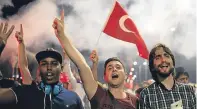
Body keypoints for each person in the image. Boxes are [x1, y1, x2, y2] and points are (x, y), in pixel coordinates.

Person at [52, 9, 138, 109]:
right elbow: (82, 65)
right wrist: (62, 36)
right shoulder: (98, 94)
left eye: (118, 67)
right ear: (105, 77)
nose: (114, 69)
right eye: (110, 68)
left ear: (125, 75)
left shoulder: (136, 101)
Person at [0, 23, 84, 109]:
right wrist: (20, 43)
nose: (49, 67)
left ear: (61, 69)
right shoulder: (30, 91)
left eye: (54, 63)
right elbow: (23, 66)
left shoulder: (73, 98)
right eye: (44, 64)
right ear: (39, 69)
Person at [138, 43, 196, 109]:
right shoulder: (146, 94)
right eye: (158, 58)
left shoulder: (188, 90)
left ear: (173, 63)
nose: (163, 60)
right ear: (152, 66)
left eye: (166, 56)